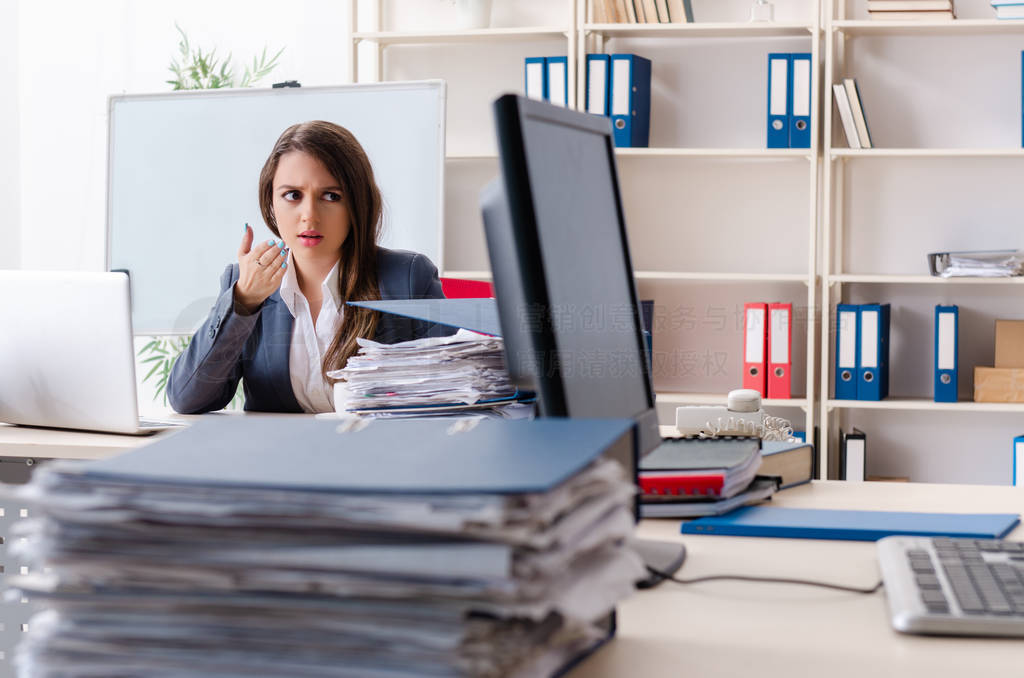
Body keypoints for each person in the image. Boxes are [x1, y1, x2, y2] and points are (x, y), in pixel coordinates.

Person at [168, 120, 448, 414]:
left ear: (357, 205)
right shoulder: (244, 283)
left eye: (331, 196)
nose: (309, 216)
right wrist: (243, 301)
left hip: (376, 454)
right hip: (280, 457)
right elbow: (187, 398)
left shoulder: (407, 278)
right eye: (292, 195)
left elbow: (456, 389)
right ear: (271, 202)